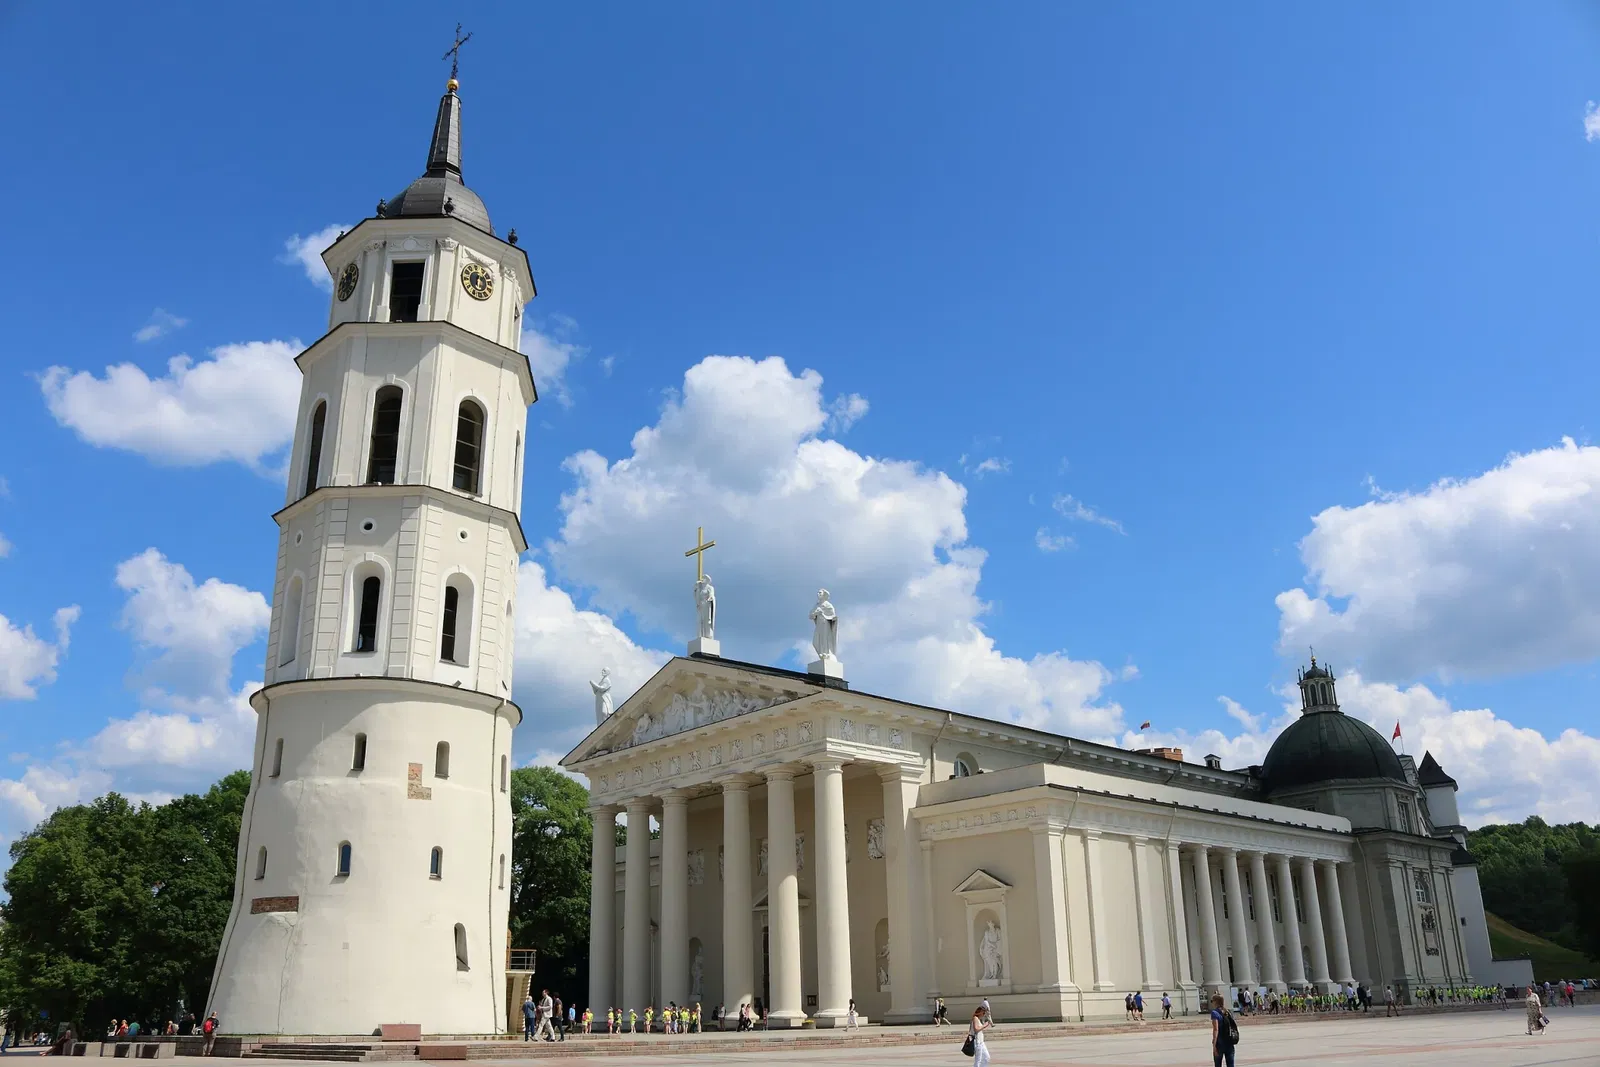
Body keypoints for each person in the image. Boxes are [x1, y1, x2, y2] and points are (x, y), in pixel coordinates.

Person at [1209, 993, 1237, 1067]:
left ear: (1215, 1002)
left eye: (1212, 1001)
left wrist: (1214, 1045)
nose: (1211, 1003)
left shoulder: (1214, 1013)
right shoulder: (1227, 1012)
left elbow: (1216, 1029)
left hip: (1220, 1043)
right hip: (1229, 1042)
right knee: (1231, 1065)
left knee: (1218, 1065)